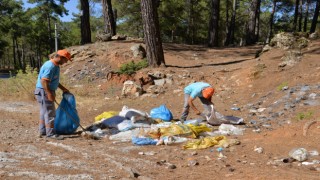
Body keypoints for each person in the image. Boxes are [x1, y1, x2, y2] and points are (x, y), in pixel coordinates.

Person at [34, 49, 72, 140]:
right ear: (60, 57)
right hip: (44, 91)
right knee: (50, 113)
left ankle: (43, 131)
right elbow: (44, 81)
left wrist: (63, 89)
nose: (66, 62)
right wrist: (49, 93)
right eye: (65, 60)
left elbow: (53, 81)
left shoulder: (56, 66)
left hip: (44, 91)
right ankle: (50, 134)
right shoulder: (50, 66)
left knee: (44, 112)